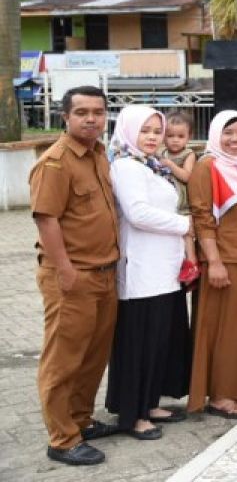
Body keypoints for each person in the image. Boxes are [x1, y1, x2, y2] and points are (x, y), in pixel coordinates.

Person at [30, 86, 120, 465]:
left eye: (97, 112)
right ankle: (62, 439)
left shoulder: (99, 154)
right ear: (64, 117)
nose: (91, 118)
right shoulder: (55, 162)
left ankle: (81, 420)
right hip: (73, 276)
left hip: (103, 273)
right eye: (81, 112)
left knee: (92, 357)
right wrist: (65, 272)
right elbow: (46, 219)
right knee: (64, 359)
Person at [104, 106, 191, 440]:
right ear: (128, 132)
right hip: (141, 270)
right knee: (141, 342)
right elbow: (138, 214)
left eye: (157, 130)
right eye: (145, 131)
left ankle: (150, 402)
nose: (153, 137)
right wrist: (185, 225)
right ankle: (135, 414)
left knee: (159, 341)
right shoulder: (126, 166)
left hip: (162, 268)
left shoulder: (150, 165)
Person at [187, 110, 237, 418]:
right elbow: (203, 217)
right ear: (215, 135)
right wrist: (215, 262)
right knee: (226, 332)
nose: (235, 140)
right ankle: (222, 395)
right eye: (228, 133)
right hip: (226, 261)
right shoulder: (207, 167)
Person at [159, 110, 198, 276]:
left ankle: (192, 263)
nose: (175, 140)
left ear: (189, 136)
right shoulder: (161, 154)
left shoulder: (188, 154)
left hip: (183, 203)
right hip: (166, 204)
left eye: (180, 136)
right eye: (170, 135)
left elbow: (187, 176)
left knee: (187, 233)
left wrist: (170, 165)